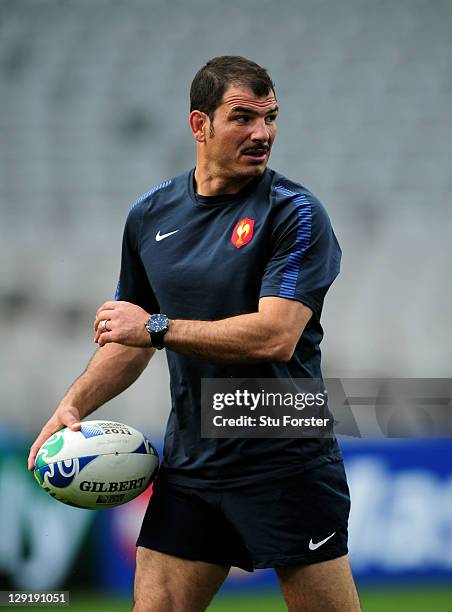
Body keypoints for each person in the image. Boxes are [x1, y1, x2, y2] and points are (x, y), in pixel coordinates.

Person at [28, 56, 361, 612]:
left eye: (271, 118)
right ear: (198, 125)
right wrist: (73, 404)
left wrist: (156, 327)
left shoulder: (295, 213)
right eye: (243, 118)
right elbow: (129, 342)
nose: (262, 134)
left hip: (285, 453)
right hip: (193, 461)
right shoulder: (149, 215)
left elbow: (275, 337)